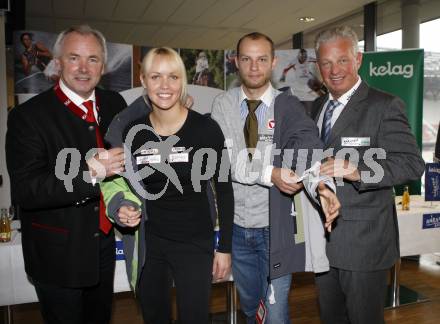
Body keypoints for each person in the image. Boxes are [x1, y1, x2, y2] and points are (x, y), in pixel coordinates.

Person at [211, 32, 340, 324]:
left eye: (261, 59)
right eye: (246, 59)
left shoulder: (288, 106)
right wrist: (271, 173)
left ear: (273, 63)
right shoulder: (223, 105)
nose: (254, 67)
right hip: (237, 229)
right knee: (250, 309)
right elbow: (226, 161)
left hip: (276, 228)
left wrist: (322, 185)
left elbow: (307, 146)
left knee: (276, 312)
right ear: (236, 62)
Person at [100, 47, 234, 324]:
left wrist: (225, 249)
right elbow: (120, 184)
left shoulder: (206, 129)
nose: (164, 86)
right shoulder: (132, 132)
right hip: (151, 244)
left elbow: (224, 189)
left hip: (195, 243)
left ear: (182, 81)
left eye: (173, 77)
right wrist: (122, 207)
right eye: (155, 76)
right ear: (143, 80)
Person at [6, 25, 127, 324]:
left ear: (104, 65)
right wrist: (91, 172)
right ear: (58, 62)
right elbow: (27, 190)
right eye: (74, 58)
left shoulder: (115, 104)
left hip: (103, 246)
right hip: (57, 253)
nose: (84, 68)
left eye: (93, 59)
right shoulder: (27, 117)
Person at [312, 26, 425, 324]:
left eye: (343, 60)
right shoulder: (315, 108)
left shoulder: (384, 105)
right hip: (322, 243)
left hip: (364, 245)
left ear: (358, 59)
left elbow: (412, 164)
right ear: (317, 66)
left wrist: (358, 172)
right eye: (326, 63)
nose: (334, 70)